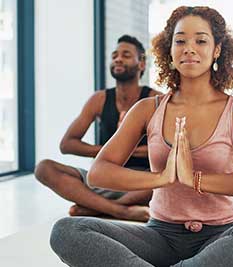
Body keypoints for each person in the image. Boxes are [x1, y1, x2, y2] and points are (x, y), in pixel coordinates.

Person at [49, 6, 233, 267]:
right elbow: (99, 173)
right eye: (180, 40)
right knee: (67, 230)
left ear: (217, 49)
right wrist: (161, 178)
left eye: (201, 40)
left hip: (220, 237)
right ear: (169, 50)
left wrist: (194, 179)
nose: (189, 48)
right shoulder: (148, 109)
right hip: (159, 236)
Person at [34, 35, 162, 221]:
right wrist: (110, 151)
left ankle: (94, 208)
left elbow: (170, 149)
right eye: (114, 55)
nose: (118, 58)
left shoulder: (155, 100)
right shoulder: (99, 99)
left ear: (141, 64)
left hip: (140, 183)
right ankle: (120, 211)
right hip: (103, 179)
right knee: (43, 168)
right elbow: (67, 144)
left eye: (126, 55)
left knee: (169, 180)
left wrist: (127, 151)